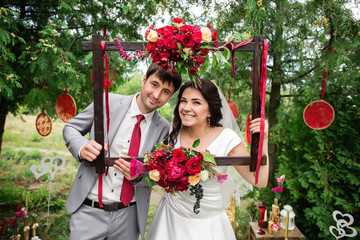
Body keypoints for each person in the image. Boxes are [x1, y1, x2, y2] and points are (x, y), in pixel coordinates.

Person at [63, 62, 182, 240]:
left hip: (129, 217)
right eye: (154, 84)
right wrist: (82, 147)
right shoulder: (107, 102)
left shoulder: (164, 129)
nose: (156, 95)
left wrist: (141, 175)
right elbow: (71, 128)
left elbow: (159, 175)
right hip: (89, 210)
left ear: (171, 96)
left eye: (166, 92)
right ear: (144, 80)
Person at [145, 78, 269, 240]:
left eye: (196, 103)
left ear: (210, 110)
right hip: (169, 220)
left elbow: (259, 181)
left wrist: (264, 139)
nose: (186, 108)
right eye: (183, 101)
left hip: (209, 227)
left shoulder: (227, 139)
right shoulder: (173, 133)